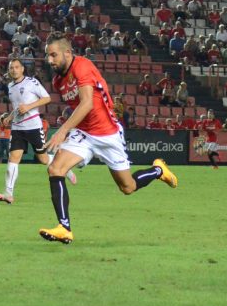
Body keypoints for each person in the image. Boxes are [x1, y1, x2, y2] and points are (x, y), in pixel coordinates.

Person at [39, 33, 178, 244]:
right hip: (84, 134)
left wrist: (62, 130)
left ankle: (158, 170)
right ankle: (64, 228)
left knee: (128, 187)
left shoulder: (82, 66)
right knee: (55, 169)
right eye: (48, 56)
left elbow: (87, 104)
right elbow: (80, 109)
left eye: (53, 55)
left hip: (108, 134)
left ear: (67, 52)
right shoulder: (58, 81)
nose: (50, 61)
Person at [0, 58, 76, 205]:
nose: (14, 70)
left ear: (22, 69)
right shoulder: (11, 86)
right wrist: (10, 117)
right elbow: (18, 106)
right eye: (11, 67)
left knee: (43, 159)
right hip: (18, 128)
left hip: (33, 127)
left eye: (17, 67)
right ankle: (8, 193)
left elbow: (46, 98)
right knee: (13, 158)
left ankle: (65, 167)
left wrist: (30, 106)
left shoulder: (31, 82)